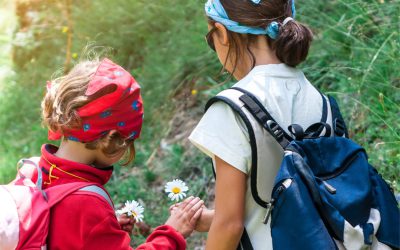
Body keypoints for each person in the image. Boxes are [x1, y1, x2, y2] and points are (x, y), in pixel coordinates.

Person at [188, 0, 330, 249]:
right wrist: (214, 218)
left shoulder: (231, 108)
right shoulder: (321, 100)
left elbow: (230, 225)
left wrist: (220, 219)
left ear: (221, 33)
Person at [37, 57, 203, 249]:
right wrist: (172, 234)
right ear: (110, 140)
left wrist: (104, 231)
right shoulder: (87, 204)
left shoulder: (38, 172)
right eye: (127, 142)